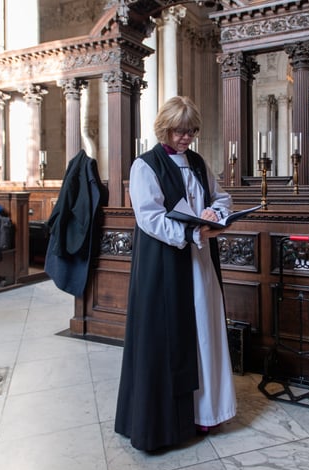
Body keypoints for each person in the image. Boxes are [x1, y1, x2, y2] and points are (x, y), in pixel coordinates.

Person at [115, 96, 237, 451]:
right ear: (164, 128)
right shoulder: (145, 166)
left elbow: (221, 197)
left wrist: (215, 212)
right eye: (180, 131)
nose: (187, 138)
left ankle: (206, 413)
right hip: (167, 266)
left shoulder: (197, 162)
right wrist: (190, 232)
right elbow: (149, 217)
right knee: (169, 339)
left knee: (205, 332)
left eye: (192, 131)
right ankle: (169, 423)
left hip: (201, 263)